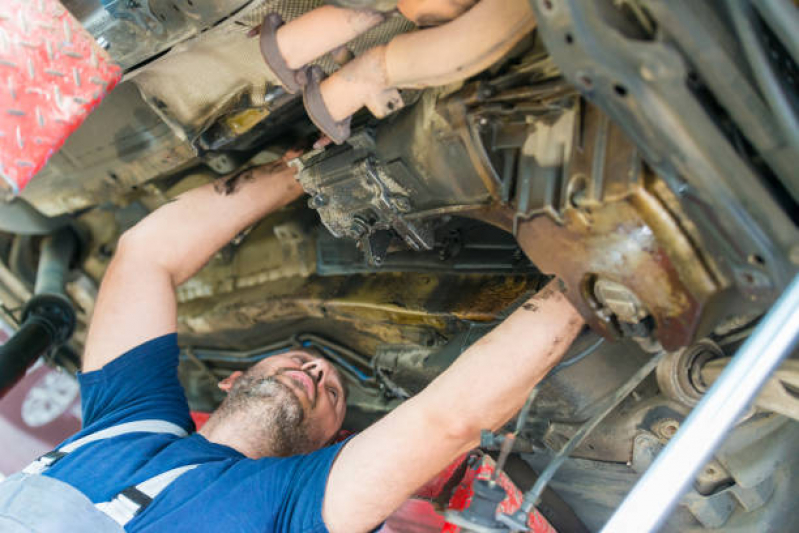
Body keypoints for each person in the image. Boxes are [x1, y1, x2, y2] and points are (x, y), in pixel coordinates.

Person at [0, 154, 584, 533]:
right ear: (232, 380)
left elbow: (442, 418)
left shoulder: (293, 501)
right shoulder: (128, 418)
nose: (319, 371)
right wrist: (309, 160)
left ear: (329, 443)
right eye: (307, 364)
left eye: (332, 394)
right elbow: (145, 256)